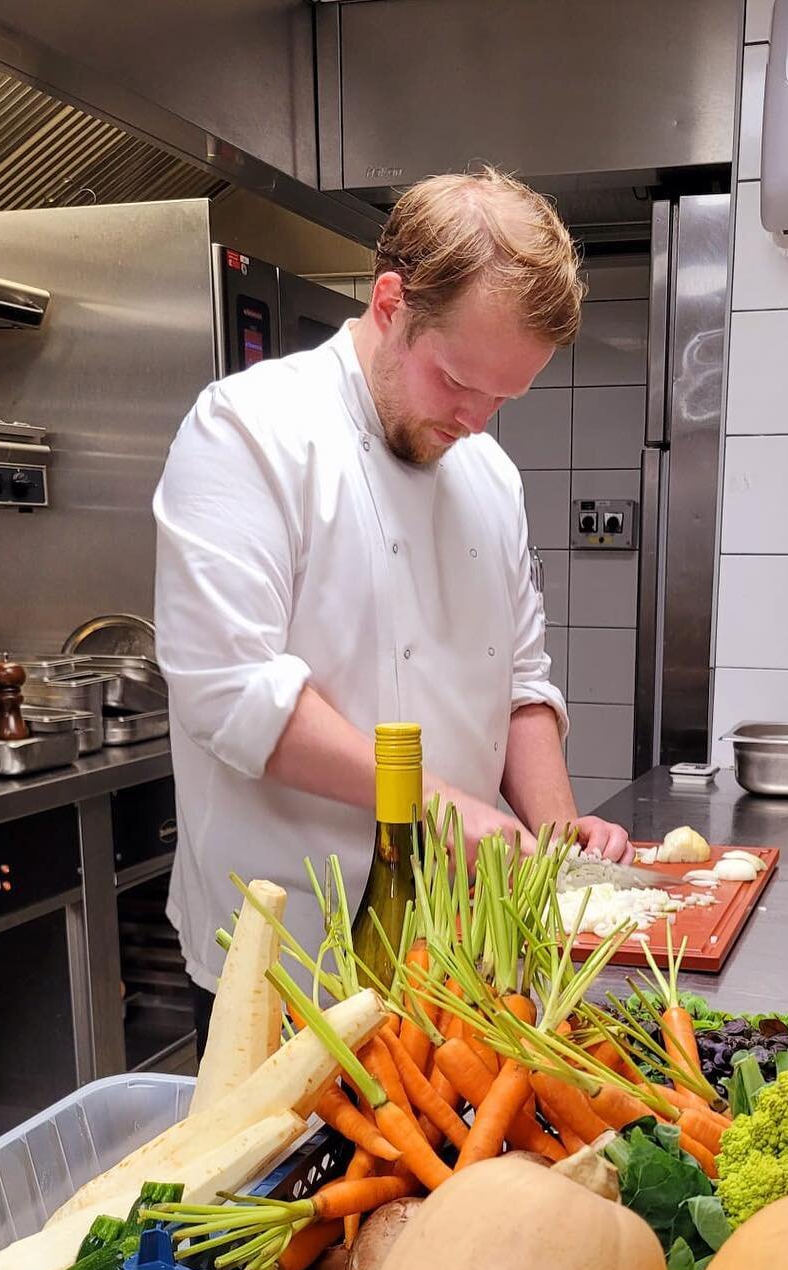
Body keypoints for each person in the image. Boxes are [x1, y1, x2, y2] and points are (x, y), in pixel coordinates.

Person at [154, 167, 633, 1052]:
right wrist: (443, 809)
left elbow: (521, 682)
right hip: (291, 966)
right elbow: (232, 693)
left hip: (463, 957)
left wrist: (558, 834)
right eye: (458, 381)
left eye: (505, 397)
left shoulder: (489, 474)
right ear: (389, 302)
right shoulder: (249, 431)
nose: (477, 421)